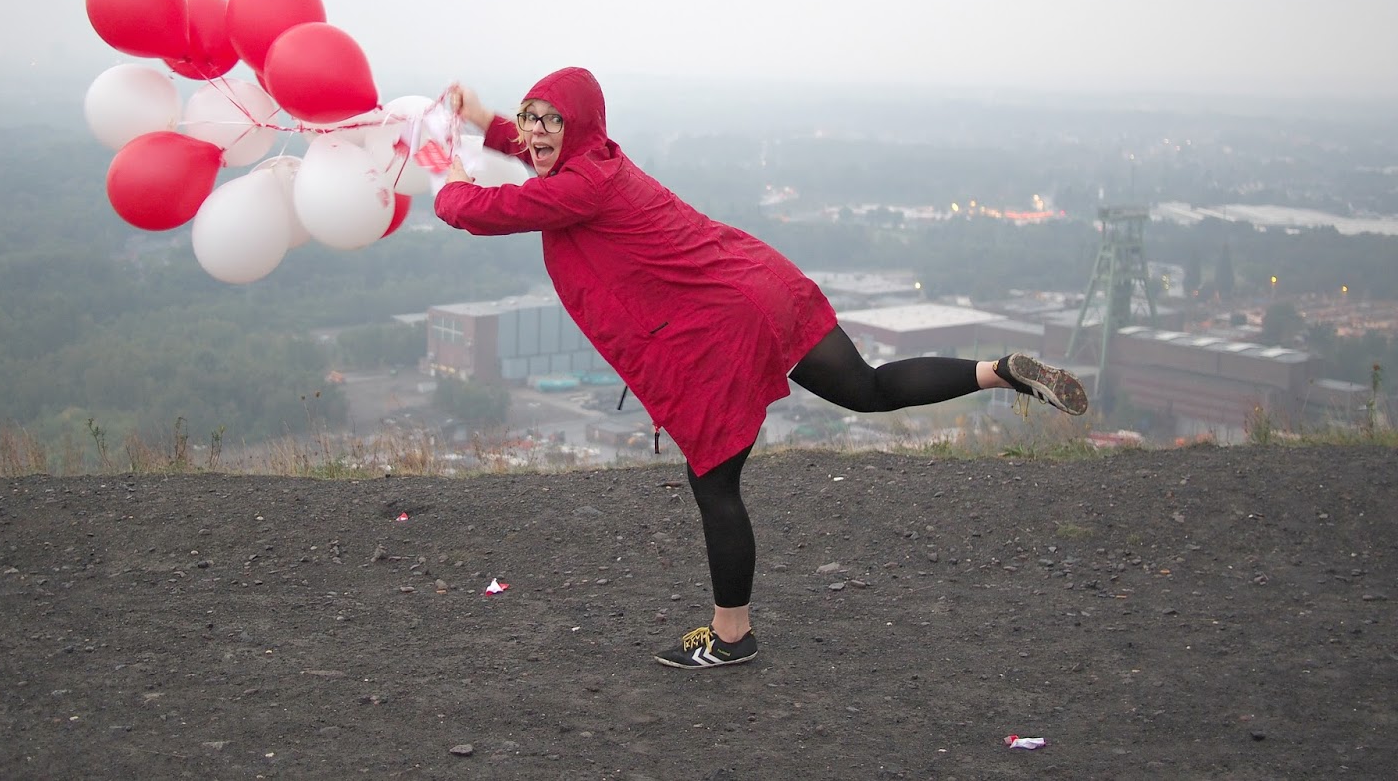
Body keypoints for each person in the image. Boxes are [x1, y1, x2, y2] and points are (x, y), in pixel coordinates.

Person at [433, 67, 1088, 670]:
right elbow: (532, 157)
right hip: (761, 282)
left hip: (726, 326)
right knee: (868, 386)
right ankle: (1000, 371)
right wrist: (484, 117)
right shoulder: (598, 161)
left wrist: (446, 171)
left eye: (550, 119)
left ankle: (731, 635)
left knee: (715, 484)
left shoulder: (579, 186)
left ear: (577, 128)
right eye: (531, 117)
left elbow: (481, 210)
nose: (536, 132)